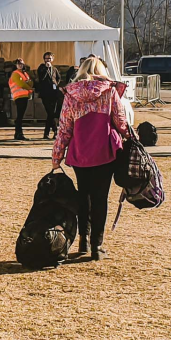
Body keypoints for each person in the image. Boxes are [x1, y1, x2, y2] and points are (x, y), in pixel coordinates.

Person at [52, 57, 129, 262]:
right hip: (104, 151)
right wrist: (131, 136)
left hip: (80, 152)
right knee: (100, 199)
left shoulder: (71, 93)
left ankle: (83, 240)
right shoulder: (109, 91)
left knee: (83, 196)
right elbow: (120, 121)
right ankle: (97, 245)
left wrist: (57, 155)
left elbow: (64, 127)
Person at [37, 52, 63, 140]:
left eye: (49, 58)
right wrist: (46, 69)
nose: (48, 60)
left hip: (54, 93)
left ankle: (47, 133)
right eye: (46, 58)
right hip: (45, 93)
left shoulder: (54, 69)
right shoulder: (41, 68)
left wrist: (55, 83)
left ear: (52, 59)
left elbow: (58, 78)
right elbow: (41, 78)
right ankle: (55, 131)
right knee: (50, 112)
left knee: (51, 113)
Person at [8, 58, 33, 141]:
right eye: (18, 63)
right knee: (20, 116)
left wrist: (28, 84)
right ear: (15, 65)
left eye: (21, 63)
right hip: (19, 97)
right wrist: (29, 87)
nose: (20, 65)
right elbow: (21, 84)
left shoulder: (25, 73)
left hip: (24, 96)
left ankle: (17, 133)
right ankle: (19, 133)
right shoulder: (15, 74)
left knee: (20, 116)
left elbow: (31, 82)